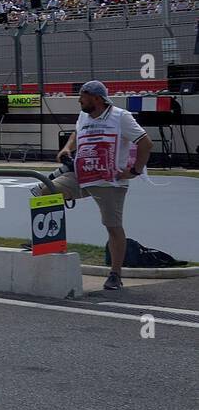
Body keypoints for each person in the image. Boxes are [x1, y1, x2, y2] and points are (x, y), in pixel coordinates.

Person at [42, 80, 152, 291]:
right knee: (45, 191)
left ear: (97, 98)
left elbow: (145, 143)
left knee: (112, 226)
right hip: (82, 174)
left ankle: (115, 275)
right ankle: (49, 244)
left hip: (109, 182)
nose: (79, 99)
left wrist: (135, 171)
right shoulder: (84, 115)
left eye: (82, 96)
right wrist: (67, 148)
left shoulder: (121, 117)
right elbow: (76, 132)